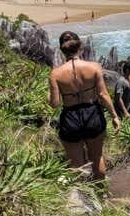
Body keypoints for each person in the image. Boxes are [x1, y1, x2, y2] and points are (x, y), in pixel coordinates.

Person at [48, 31, 120, 180]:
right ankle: (101, 189)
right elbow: (103, 95)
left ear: (62, 49)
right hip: (93, 114)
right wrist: (114, 116)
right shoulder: (94, 67)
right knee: (97, 157)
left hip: (70, 117)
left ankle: (82, 193)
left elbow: (55, 104)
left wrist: (49, 96)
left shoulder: (55, 74)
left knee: (76, 164)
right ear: (80, 46)